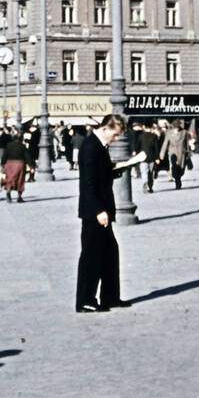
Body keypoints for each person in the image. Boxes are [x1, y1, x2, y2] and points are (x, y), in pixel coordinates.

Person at [75, 115, 132, 313]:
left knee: (110, 253)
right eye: (115, 135)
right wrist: (99, 210)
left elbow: (100, 174)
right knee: (91, 256)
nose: (115, 139)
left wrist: (116, 170)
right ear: (106, 128)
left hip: (101, 209)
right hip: (94, 212)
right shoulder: (91, 146)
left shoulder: (99, 145)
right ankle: (85, 300)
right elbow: (88, 184)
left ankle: (110, 297)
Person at [158, 120, 190, 190]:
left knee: (181, 169)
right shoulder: (169, 133)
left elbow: (187, 143)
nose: (177, 128)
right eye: (175, 127)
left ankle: (178, 178)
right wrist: (162, 153)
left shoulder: (184, 132)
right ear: (173, 127)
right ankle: (177, 181)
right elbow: (165, 143)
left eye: (178, 127)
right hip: (172, 152)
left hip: (182, 153)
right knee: (174, 167)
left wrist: (188, 153)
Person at [1, 130, 28, 203]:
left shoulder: (8, 146)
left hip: (10, 164)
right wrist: (31, 165)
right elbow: (27, 156)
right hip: (20, 164)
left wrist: (2, 164)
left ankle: (8, 193)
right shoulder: (22, 146)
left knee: (10, 179)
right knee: (20, 180)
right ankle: (19, 197)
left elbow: (4, 155)